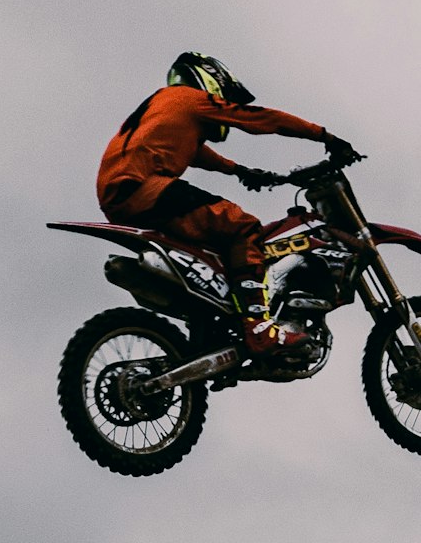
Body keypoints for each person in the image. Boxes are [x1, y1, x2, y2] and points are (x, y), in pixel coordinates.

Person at [96, 51, 363, 355]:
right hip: (145, 188)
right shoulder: (191, 98)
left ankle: (209, 326)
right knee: (243, 227)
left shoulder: (165, 105)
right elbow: (260, 119)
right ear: (212, 79)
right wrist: (325, 137)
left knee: (215, 247)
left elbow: (195, 152)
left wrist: (240, 171)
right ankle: (259, 328)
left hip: (120, 195)